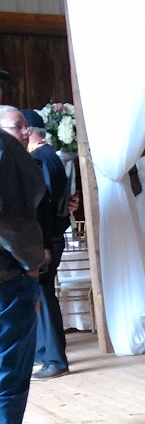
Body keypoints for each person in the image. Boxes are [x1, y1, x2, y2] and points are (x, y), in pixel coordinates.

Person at [0, 122, 70, 424]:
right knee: (7, 376)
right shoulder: (2, 148)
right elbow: (10, 217)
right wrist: (30, 262)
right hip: (5, 279)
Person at [23, 109, 70, 378]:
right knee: (38, 294)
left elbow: (43, 206)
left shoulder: (42, 158)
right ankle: (43, 352)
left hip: (46, 238)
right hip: (46, 237)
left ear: (27, 131)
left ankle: (55, 359)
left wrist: (42, 245)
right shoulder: (46, 156)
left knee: (44, 294)